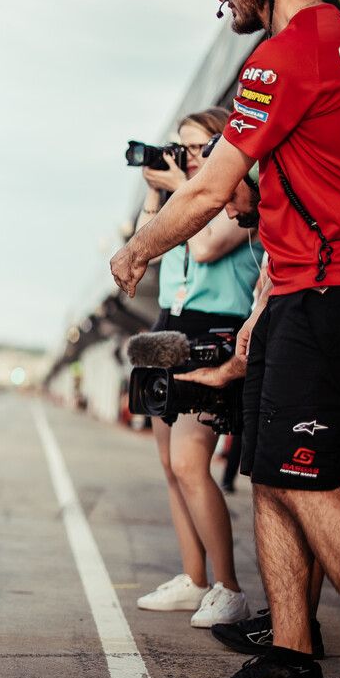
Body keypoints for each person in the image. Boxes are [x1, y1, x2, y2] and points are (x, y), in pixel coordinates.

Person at [110, 0, 340, 678]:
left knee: (304, 478)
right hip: (303, 290)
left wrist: (136, 252)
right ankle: (290, 658)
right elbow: (293, 189)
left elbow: (211, 191)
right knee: (271, 473)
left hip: (327, 291)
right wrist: (262, 305)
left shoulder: (287, 54)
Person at [133, 108, 262, 629]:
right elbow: (150, 244)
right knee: (169, 466)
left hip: (215, 327)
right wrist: (156, 195)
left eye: (195, 149)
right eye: (180, 149)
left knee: (191, 462)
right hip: (170, 324)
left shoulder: (234, 194)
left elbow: (205, 247)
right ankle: (195, 578)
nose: (185, 159)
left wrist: (184, 195)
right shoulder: (183, 197)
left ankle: (229, 588)